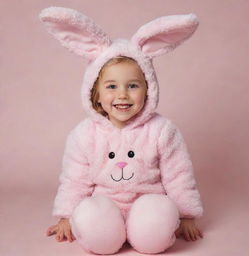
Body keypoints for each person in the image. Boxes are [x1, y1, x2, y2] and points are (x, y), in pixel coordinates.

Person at [40, 6, 204, 254]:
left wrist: (187, 215)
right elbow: (74, 180)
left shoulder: (162, 130)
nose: (122, 95)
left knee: (155, 232)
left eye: (133, 85)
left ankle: (149, 229)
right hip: (105, 206)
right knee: (93, 224)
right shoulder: (84, 134)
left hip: (148, 204)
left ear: (148, 88)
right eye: (112, 86)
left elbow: (178, 174)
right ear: (95, 91)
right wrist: (65, 215)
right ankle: (103, 230)